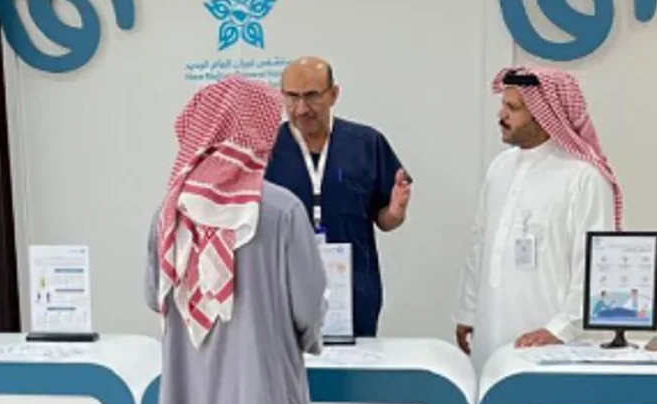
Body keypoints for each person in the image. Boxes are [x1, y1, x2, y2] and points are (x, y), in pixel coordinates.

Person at [144, 75, 327, 404]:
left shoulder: (168, 212)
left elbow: (152, 296)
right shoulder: (282, 210)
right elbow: (308, 310)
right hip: (262, 400)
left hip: (188, 403)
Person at [453, 66, 622, 371]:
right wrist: (468, 310)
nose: (501, 115)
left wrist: (559, 330)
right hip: (491, 331)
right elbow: (480, 244)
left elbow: (598, 266)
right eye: (503, 104)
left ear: (546, 116)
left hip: (553, 345)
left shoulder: (584, 177)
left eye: (513, 108)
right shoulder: (500, 168)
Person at [266, 56, 411, 337]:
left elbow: (385, 220)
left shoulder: (366, 143)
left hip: (352, 292)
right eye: (292, 97)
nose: (301, 108)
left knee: (354, 364)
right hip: (282, 292)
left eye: (312, 96)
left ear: (333, 94)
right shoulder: (265, 149)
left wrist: (395, 212)